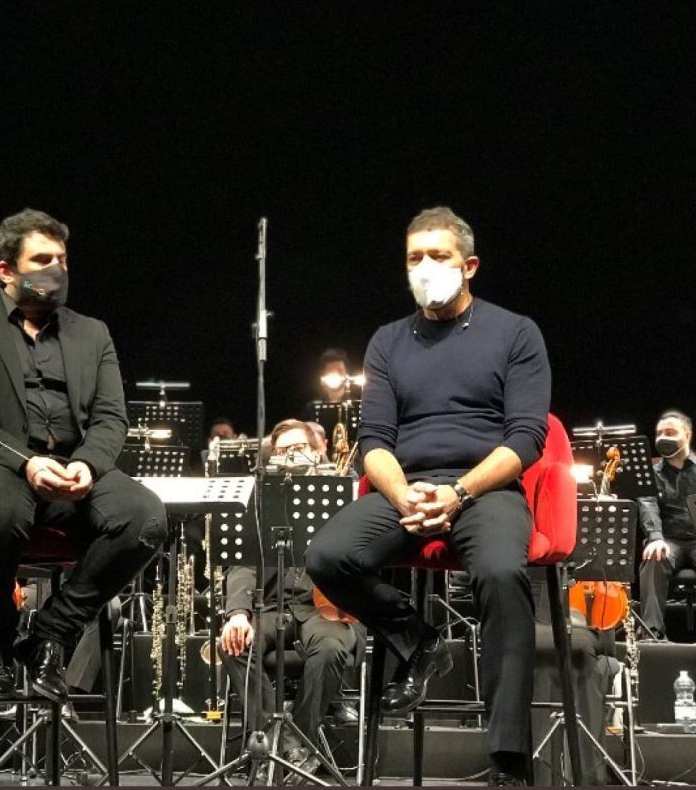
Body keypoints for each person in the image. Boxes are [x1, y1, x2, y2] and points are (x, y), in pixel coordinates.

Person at [306, 206, 550, 786]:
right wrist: (407, 494)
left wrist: (459, 492)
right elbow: (374, 441)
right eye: (414, 258)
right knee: (326, 556)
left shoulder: (515, 332)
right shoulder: (389, 341)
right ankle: (413, 633)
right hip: (408, 486)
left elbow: (527, 437)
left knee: (498, 572)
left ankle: (510, 759)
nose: (424, 268)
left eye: (437, 256)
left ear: (469, 266)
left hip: (484, 488)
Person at [0, 208, 166, 703]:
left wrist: (87, 464)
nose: (57, 269)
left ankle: (51, 634)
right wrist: (25, 460)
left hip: (72, 467)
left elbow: (110, 418)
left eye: (62, 258)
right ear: (5, 269)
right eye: (42, 259)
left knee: (145, 520)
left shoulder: (92, 332)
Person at [220, 419, 361, 774]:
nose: (289, 457)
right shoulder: (259, 502)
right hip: (270, 609)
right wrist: (237, 613)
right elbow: (241, 565)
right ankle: (271, 741)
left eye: (298, 449)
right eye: (281, 451)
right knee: (233, 643)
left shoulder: (343, 499)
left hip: (325, 610)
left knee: (330, 648)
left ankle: (300, 738)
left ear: (317, 452)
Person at [637, 410, 696, 641]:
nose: (663, 437)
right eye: (659, 433)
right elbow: (647, 505)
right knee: (653, 559)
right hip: (668, 539)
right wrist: (655, 537)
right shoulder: (650, 473)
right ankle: (651, 634)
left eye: (670, 432)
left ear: (687, 435)